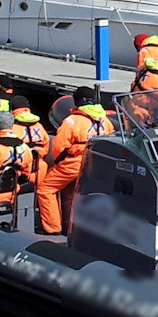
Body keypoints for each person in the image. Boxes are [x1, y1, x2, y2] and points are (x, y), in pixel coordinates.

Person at [35, 86, 113, 234]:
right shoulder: (105, 119)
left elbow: (59, 147)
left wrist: (58, 163)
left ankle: (53, 228)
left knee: (46, 189)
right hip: (98, 163)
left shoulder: (72, 121)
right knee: (78, 192)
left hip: (75, 164)